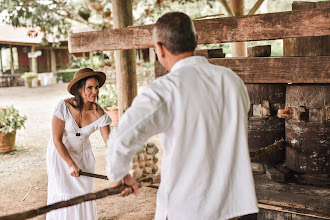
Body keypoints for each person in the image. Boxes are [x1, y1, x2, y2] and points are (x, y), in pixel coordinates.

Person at [106, 12, 258, 220]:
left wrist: (118, 174)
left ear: (159, 48)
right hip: (238, 208)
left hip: (189, 209)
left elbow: (121, 138)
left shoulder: (164, 90)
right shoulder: (232, 81)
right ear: (196, 40)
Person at [46, 68, 111, 220]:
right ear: (78, 88)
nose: (94, 91)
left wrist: (118, 166)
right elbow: (56, 139)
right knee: (64, 195)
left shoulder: (98, 114)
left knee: (84, 196)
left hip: (83, 158)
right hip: (61, 157)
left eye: (96, 87)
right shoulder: (63, 107)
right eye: (90, 87)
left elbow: (110, 144)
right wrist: (70, 164)